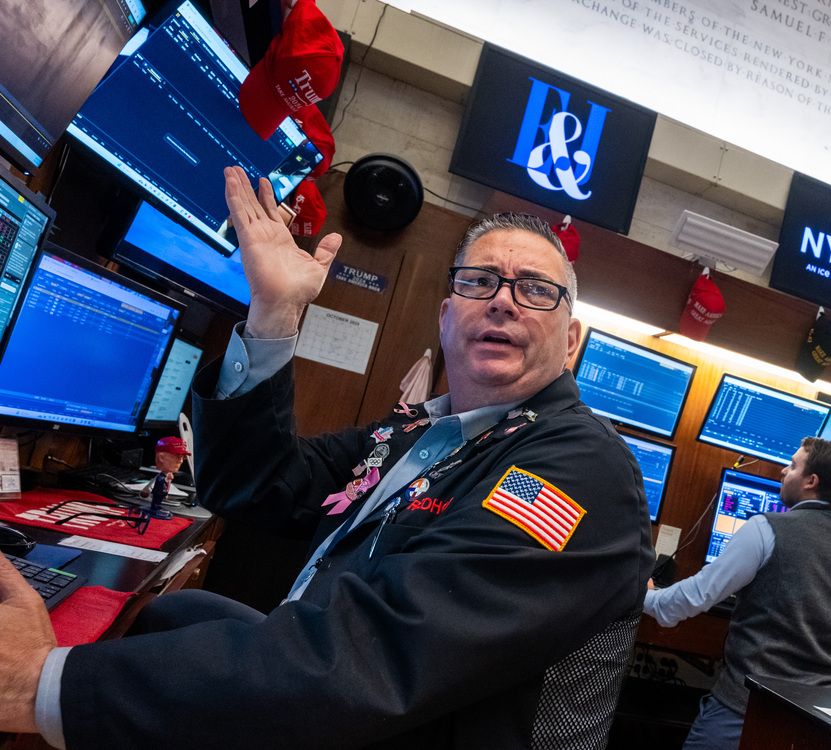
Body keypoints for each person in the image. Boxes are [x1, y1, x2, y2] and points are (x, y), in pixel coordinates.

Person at [0, 166, 653, 749]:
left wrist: (45, 685)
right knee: (171, 614)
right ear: (448, 315)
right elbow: (257, 486)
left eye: (536, 289)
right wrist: (275, 312)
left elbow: (373, 662)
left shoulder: (580, 469)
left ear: (570, 342)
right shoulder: (424, 433)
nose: (504, 299)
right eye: (480, 282)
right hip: (323, 695)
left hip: (367, 717)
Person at [644, 437, 831, 750]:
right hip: (819, 725)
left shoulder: (765, 528)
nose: (784, 471)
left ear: (811, 481)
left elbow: (689, 600)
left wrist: (642, 595)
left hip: (746, 711)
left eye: (793, 465)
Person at [138, 436, 192, 520]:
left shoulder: (168, 476)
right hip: (157, 494)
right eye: (178, 456)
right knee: (156, 501)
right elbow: (151, 485)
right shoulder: (160, 477)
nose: (181, 461)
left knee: (158, 501)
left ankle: (156, 507)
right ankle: (154, 508)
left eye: (183, 457)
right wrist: (146, 491)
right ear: (161, 457)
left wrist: (166, 493)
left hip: (161, 495)